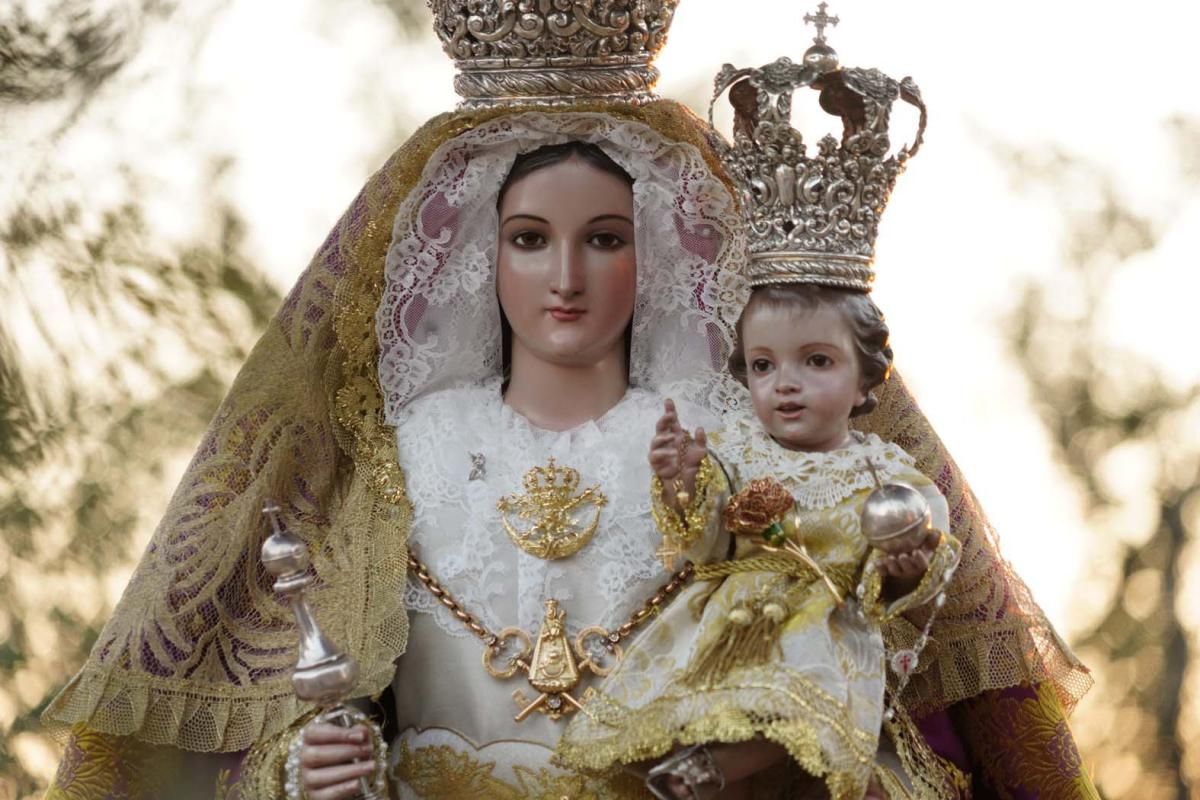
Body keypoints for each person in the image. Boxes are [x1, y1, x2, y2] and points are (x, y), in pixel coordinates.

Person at [42, 4, 1096, 799]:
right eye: (530, 238)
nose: (566, 279)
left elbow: (834, 655)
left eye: (605, 238)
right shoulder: (396, 449)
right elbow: (311, 696)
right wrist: (310, 760)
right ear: (474, 255)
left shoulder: (735, 449)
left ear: (662, 256)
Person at [558, 283, 963, 799]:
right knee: (721, 721)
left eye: (816, 362)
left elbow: (912, 569)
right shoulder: (732, 451)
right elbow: (706, 550)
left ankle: (707, 769)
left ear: (864, 380)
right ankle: (705, 769)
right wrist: (681, 483)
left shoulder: (887, 477)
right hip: (729, 629)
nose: (785, 384)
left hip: (825, 632)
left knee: (802, 712)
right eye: (764, 366)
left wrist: (905, 566)